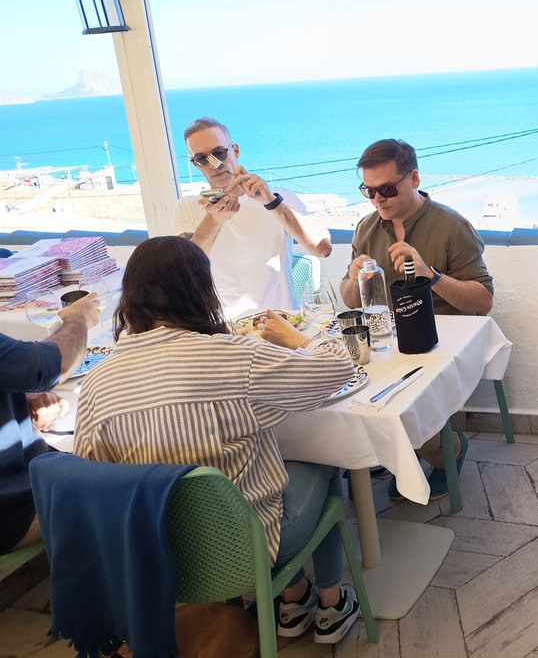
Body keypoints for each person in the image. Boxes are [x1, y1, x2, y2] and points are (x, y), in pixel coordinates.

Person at [74, 237, 362, 644]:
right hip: (244, 549)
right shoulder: (230, 355)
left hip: (156, 556)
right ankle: (331, 605)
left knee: (260, 463)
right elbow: (338, 367)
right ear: (201, 289)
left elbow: (90, 478)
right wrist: (297, 339)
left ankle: (295, 596)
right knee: (325, 454)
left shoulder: (97, 381)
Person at [340, 139, 494, 500]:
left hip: (439, 338)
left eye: (387, 189)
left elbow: (483, 301)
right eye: (369, 191)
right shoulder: (366, 228)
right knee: (341, 390)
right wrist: (353, 279)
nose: (378, 200)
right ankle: (385, 455)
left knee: (400, 400)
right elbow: (349, 298)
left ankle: (446, 450)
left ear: (414, 178)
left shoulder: (451, 226)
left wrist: (431, 275)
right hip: (386, 339)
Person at [174, 117, 331, 319]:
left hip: (280, 322)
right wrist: (214, 219)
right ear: (196, 164)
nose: (214, 165)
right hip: (225, 327)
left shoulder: (278, 196)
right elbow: (185, 270)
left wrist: (271, 202)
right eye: (202, 159)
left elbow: (322, 248)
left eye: (219, 153)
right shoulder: (189, 206)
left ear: (235, 151)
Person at [1, 293, 100, 553]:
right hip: (13, 509)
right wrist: (78, 319)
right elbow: (57, 363)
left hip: (25, 482)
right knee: (130, 491)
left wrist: (20, 397)